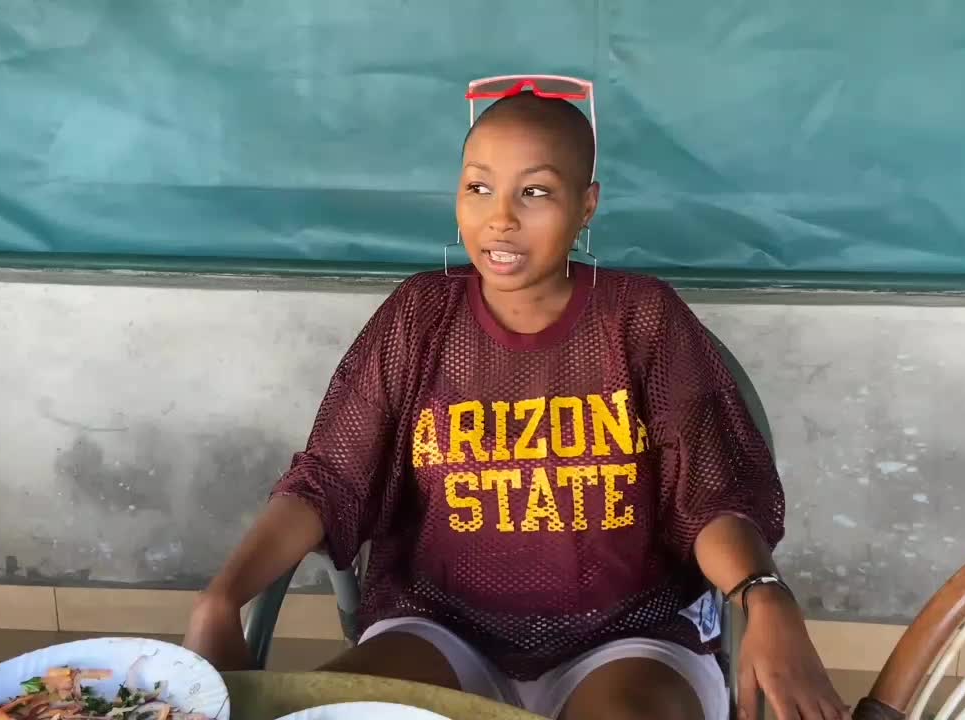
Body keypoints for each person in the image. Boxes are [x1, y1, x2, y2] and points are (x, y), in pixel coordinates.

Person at [184, 86, 848, 720]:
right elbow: (329, 481)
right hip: (439, 625)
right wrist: (221, 598)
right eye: (479, 188)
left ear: (586, 206)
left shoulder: (642, 319)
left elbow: (713, 496)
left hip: (629, 637)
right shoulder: (419, 317)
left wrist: (764, 595)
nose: (499, 217)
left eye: (535, 191)